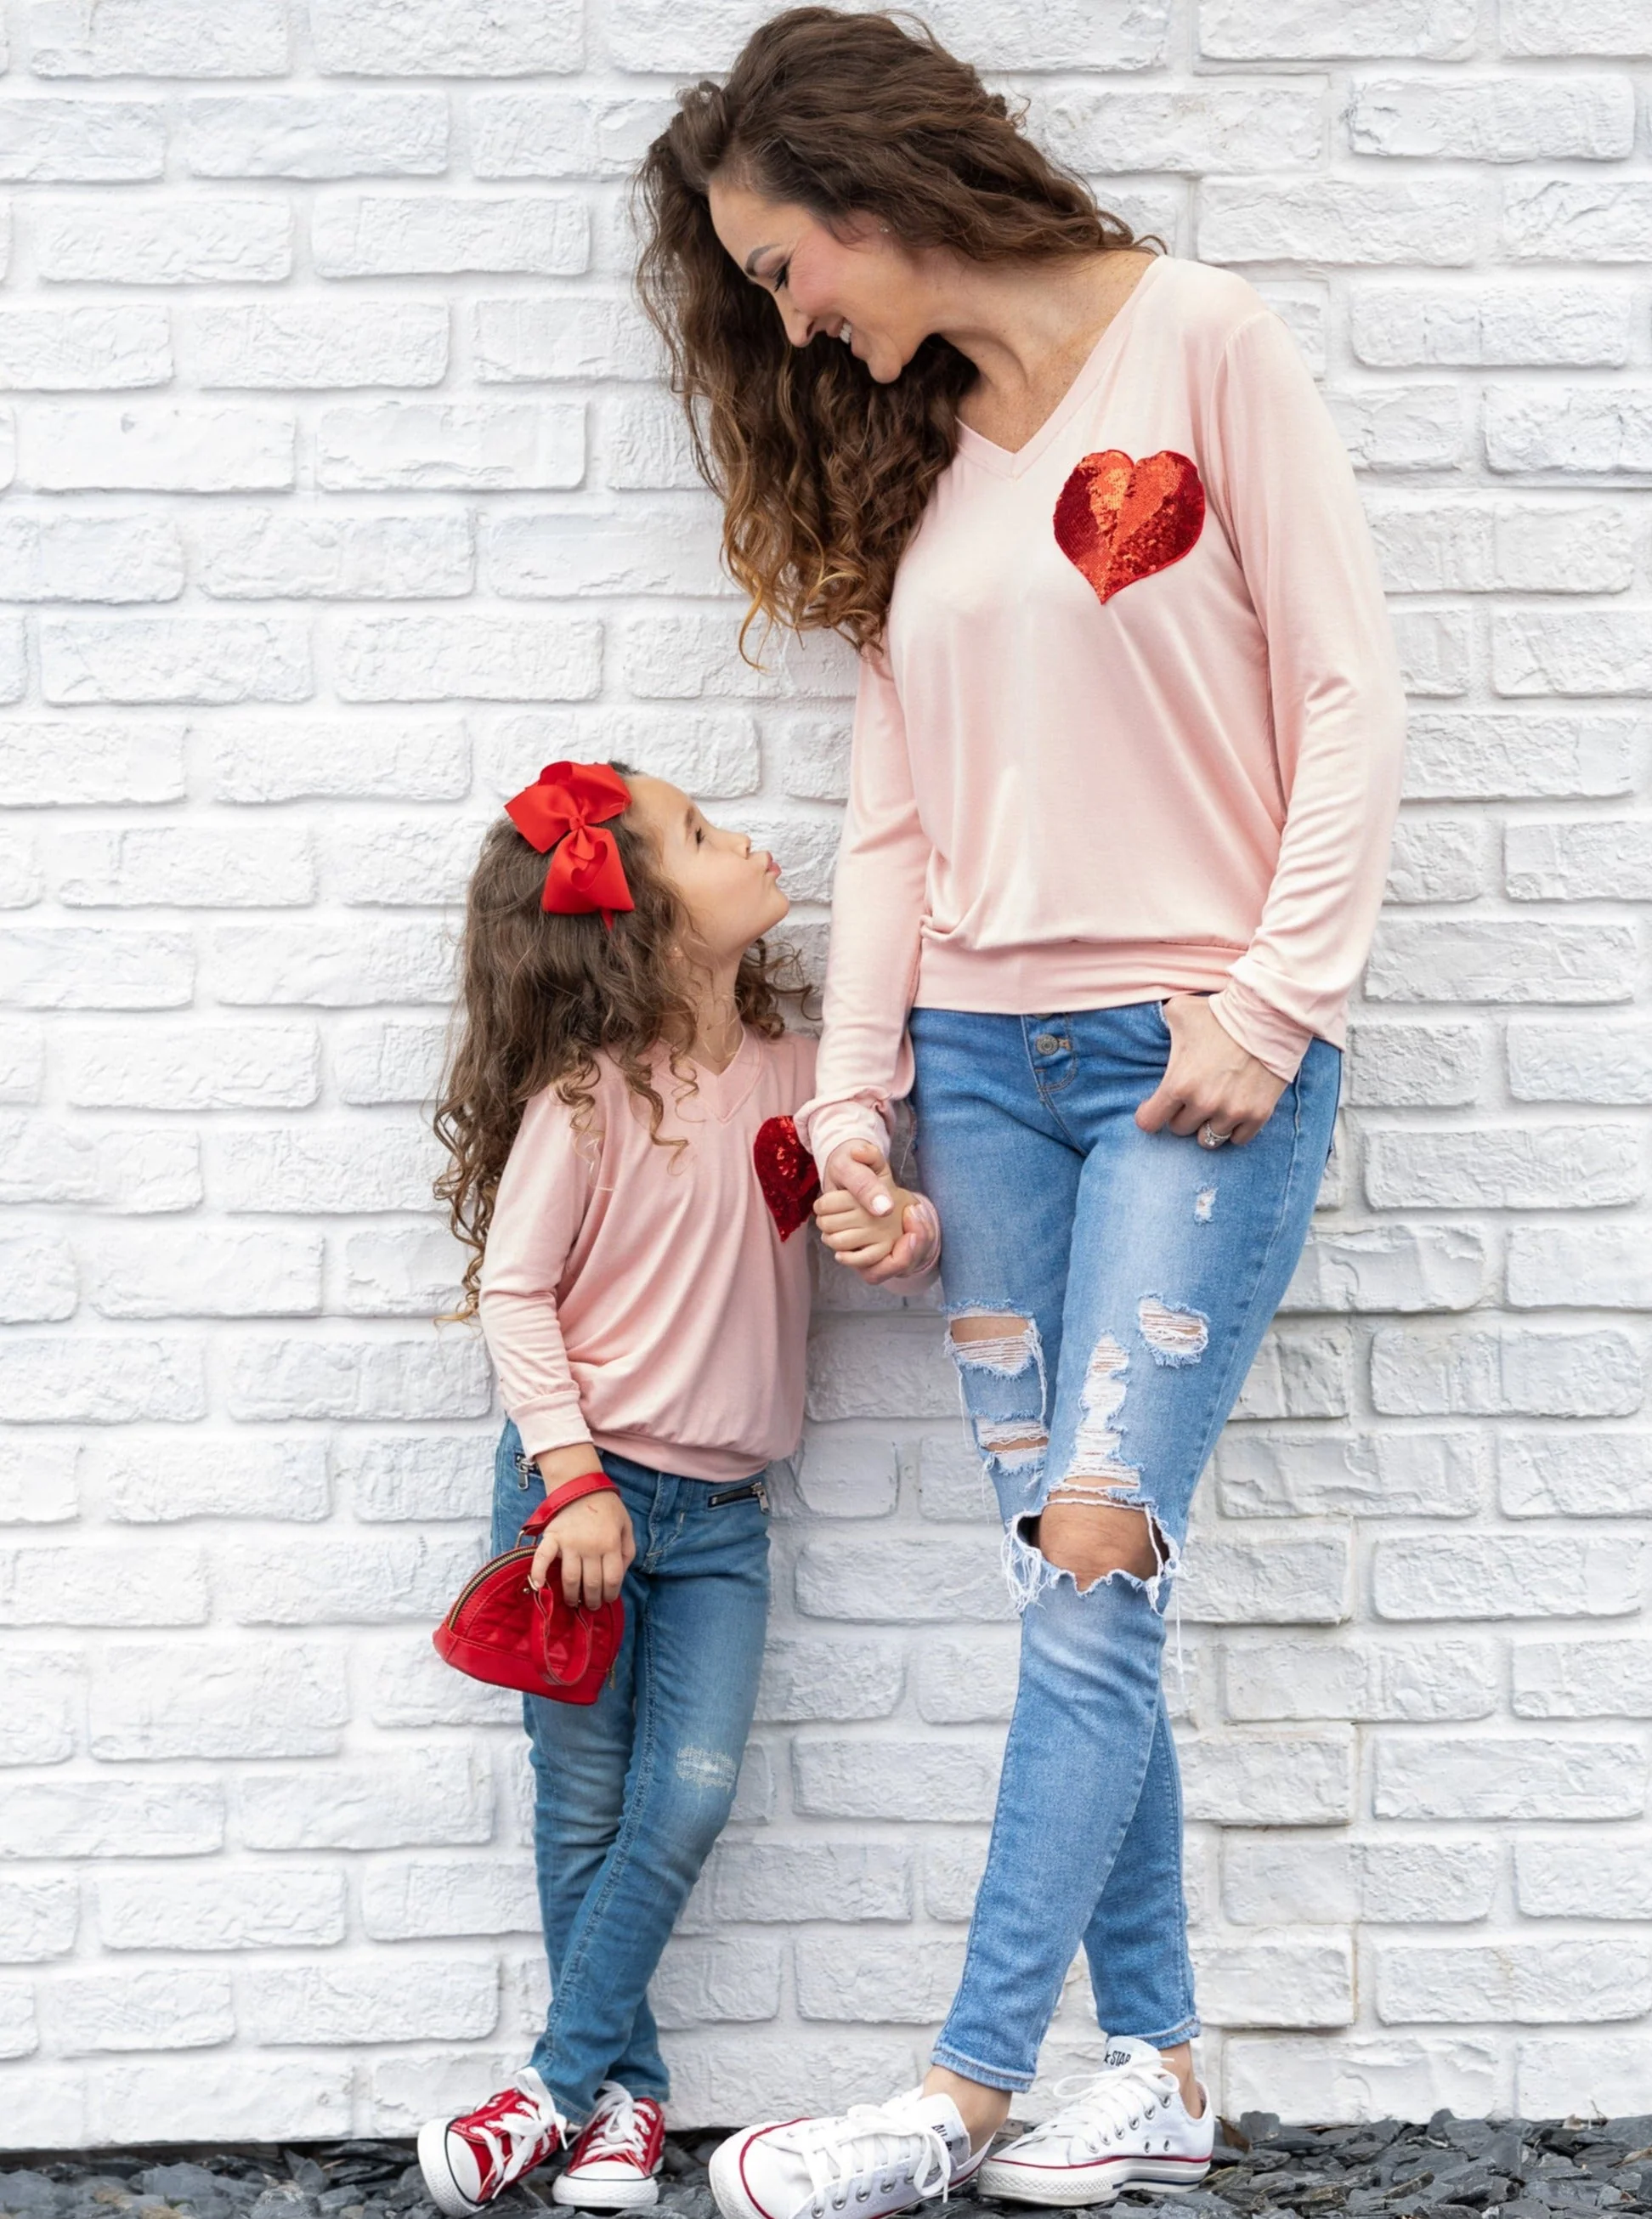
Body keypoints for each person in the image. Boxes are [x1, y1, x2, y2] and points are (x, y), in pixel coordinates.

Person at [636, 8, 1404, 2215]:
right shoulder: (927, 458)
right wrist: (858, 1103)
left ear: (871, 195)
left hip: (1192, 1057)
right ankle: (1151, 2062)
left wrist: (1280, 995)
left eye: (787, 266)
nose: (793, 317)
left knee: (1092, 1552)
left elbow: (1350, 689)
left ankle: (963, 2093)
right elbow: (895, 824)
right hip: (975, 1071)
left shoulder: (1208, 346)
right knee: (1079, 1595)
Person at [418, 761, 914, 2216]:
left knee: (683, 1798)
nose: (751, 840)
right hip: (582, 1501)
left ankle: (550, 2092)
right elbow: (515, 1292)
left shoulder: (804, 1079)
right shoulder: (588, 1100)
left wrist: (897, 1215)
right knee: (581, 1808)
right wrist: (571, 1479)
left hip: (718, 1524)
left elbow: (885, 1198)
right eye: (702, 836)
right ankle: (627, 2103)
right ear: (638, 920)